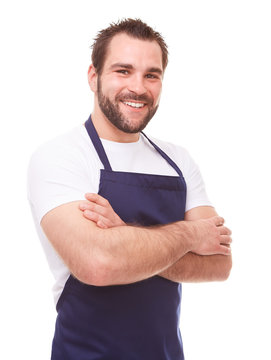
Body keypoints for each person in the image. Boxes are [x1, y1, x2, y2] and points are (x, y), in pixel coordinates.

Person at [27, 18, 232, 360]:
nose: (138, 87)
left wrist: (123, 234)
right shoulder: (60, 156)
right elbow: (98, 264)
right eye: (123, 70)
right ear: (93, 77)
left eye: (151, 74)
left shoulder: (178, 160)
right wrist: (190, 235)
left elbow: (219, 265)